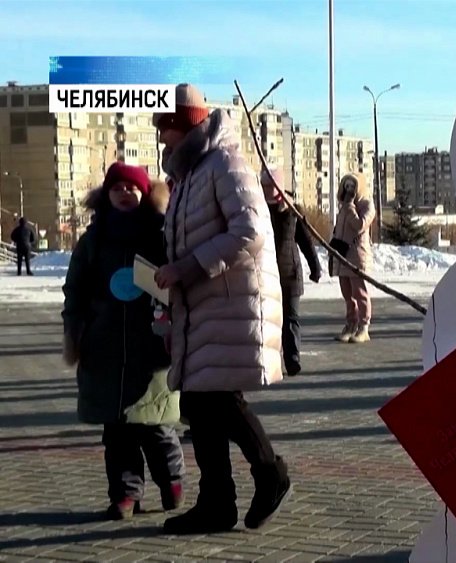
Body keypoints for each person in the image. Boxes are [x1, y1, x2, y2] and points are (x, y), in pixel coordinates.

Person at [152, 83, 290, 534]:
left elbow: (249, 230)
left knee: (220, 398)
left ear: (186, 126)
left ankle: (270, 472)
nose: (161, 140)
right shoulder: (193, 173)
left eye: (166, 128)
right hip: (203, 304)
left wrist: (189, 266)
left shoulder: (224, 162)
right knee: (198, 399)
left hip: (231, 301)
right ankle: (216, 503)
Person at [61, 164, 185, 520]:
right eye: (117, 188)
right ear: (107, 194)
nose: (125, 193)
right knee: (116, 431)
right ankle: (125, 494)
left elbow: (177, 282)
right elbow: (76, 289)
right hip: (105, 345)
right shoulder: (93, 239)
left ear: (145, 194)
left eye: (132, 188)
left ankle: (171, 479)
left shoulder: (161, 234)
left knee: (155, 424)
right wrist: (76, 330)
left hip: (151, 343)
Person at [262, 165, 322, 375]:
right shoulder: (257, 209)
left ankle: (293, 359)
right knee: (269, 320)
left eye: (270, 185)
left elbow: (306, 241)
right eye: (264, 185)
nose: (267, 190)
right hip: (266, 276)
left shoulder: (292, 211)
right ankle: (268, 361)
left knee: (291, 319)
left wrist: (315, 267)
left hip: (290, 275)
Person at [329, 173, 376, 343]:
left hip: (357, 255)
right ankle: (351, 324)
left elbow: (359, 226)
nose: (349, 190)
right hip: (342, 255)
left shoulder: (366, 205)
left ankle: (364, 326)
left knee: (359, 292)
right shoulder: (344, 206)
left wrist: (350, 208)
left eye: (352, 186)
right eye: (346, 186)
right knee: (347, 293)